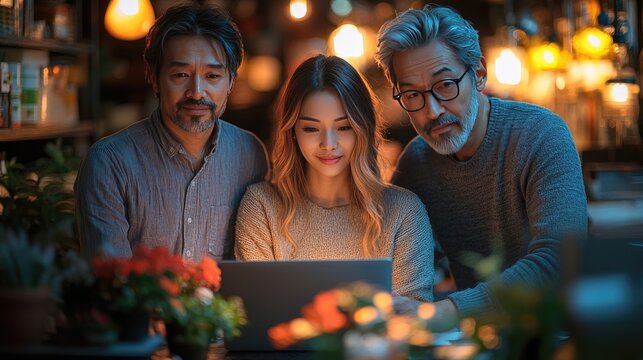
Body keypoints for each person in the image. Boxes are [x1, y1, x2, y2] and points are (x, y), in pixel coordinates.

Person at [374, 5, 587, 330]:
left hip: (560, 336)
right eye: (412, 94)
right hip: (478, 339)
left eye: (445, 85)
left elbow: (559, 260)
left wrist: (447, 311)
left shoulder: (541, 135)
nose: (432, 111)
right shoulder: (416, 163)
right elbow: (393, 263)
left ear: (479, 73)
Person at [234, 55, 435, 305]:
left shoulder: (403, 212)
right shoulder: (262, 207)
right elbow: (256, 312)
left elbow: (416, 322)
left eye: (344, 127)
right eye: (310, 128)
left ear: (363, 128)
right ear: (292, 132)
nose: (328, 145)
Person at [75, 4, 268, 260]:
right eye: (180, 74)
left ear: (231, 81)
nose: (197, 91)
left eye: (212, 76)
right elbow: (111, 286)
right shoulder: (109, 164)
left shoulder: (250, 155)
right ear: (153, 77)